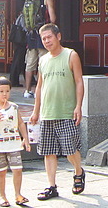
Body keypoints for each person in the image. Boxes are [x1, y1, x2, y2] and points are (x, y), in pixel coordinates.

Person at [28, 23, 85, 201]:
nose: (46, 41)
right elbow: (39, 87)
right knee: (48, 151)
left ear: (58, 36)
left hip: (66, 111)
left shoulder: (71, 55)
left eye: (49, 37)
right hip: (47, 112)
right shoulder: (43, 59)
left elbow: (79, 81)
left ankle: (78, 171)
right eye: (43, 38)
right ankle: (51, 186)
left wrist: (78, 106)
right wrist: (36, 111)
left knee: (70, 149)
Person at [0, 76, 31, 207]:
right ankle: (2, 196)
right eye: (1, 91)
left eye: (7, 91)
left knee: (17, 169)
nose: (5, 94)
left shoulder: (14, 107)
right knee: (1, 172)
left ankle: (18, 194)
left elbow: (20, 123)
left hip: (14, 143)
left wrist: (25, 138)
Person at [23, 0, 56, 98]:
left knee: (30, 64)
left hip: (30, 34)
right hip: (43, 34)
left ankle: (27, 91)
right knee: (43, 62)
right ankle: (40, 90)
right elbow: (52, 19)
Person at [8, 14, 27, 87]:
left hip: (19, 40)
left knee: (21, 61)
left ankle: (14, 80)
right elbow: (25, 28)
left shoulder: (21, 16)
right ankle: (14, 80)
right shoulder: (23, 17)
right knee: (18, 60)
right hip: (21, 40)